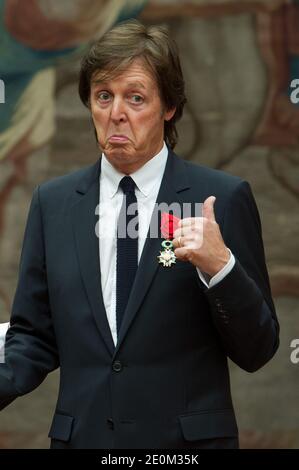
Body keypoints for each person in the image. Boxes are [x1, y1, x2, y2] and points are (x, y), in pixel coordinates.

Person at [0, 19, 279, 449]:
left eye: (135, 98)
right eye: (103, 96)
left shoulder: (220, 198)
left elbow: (258, 349)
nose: (116, 113)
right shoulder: (53, 204)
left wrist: (221, 269)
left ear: (168, 106)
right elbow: (33, 336)